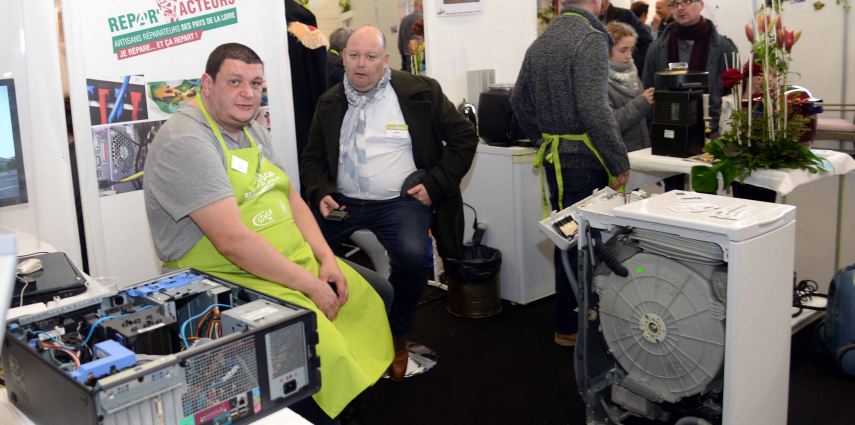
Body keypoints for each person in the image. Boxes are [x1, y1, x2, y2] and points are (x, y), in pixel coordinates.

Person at [143, 43, 393, 424]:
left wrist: (326, 258)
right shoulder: (186, 142)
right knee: (311, 340)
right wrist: (310, 285)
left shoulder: (252, 129)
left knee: (377, 293)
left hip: (285, 259)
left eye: (256, 84)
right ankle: (316, 410)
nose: (248, 93)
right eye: (235, 82)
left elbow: (291, 198)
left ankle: (346, 396)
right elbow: (233, 243)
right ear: (207, 85)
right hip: (227, 277)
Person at [300, 26, 477, 381]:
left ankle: (396, 333)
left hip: (399, 202)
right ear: (343, 57)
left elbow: (464, 137)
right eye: (353, 56)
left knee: (415, 258)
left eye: (370, 57)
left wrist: (435, 185)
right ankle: (329, 336)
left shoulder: (419, 92)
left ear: (385, 60)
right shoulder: (330, 101)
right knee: (301, 254)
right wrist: (320, 192)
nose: (360, 64)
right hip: (344, 203)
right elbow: (313, 157)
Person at [511, 0, 630, 347]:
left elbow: (518, 101)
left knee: (569, 237)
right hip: (585, 161)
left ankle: (573, 319)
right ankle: (572, 324)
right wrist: (618, 161)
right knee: (582, 242)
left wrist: (543, 140)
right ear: (599, 3)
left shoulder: (540, 43)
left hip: (558, 158)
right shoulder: (591, 38)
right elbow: (594, 108)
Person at [642, 0, 736, 191]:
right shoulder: (657, 48)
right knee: (672, 194)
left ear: (700, 4)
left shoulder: (724, 48)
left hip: (711, 134)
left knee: (706, 193)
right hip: (670, 134)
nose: (680, 8)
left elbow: (732, 95)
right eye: (674, 4)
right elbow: (648, 91)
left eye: (685, 1)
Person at [607, 22, 654, 152]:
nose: (629, 55)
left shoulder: (632, 73)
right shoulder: (600, 80)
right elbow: (609, 122)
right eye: (623, 50)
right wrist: (642, 102)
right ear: (607, 49)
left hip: (641, 150)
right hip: (619, 153)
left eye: (631, 49)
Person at [599, 0, 653, 76]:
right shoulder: (585, 19)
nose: (599, 2)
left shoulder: (625, 15)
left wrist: (629, 63)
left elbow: (646, 42)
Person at [398, 0, 423, 73]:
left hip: (406, 56)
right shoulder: (423, 19)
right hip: (419, 58)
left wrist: (403, 55)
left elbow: (400, 42)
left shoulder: (404, 20)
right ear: (422, 6)